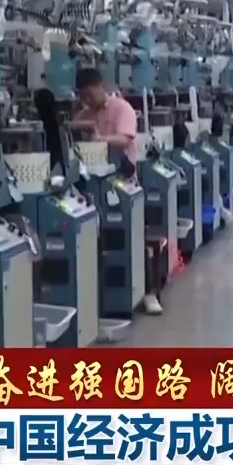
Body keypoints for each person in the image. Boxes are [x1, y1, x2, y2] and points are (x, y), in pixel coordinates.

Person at [73, 69, 166, 314]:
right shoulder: (86, 113)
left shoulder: (122, 109)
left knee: (136, 240)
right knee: (105, 243)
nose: (87, 100)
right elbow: (71, 129)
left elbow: (125, 139)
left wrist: (99, 138)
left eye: (90, 94)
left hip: (123, 185)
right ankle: (104, 297)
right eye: (83, 96)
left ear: (101, 86)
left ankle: (149, 294)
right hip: (95, 188)